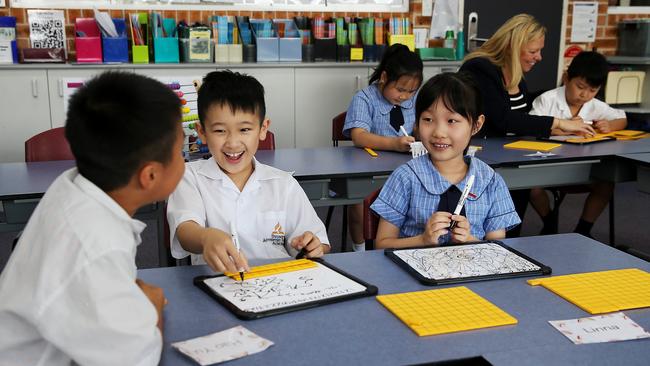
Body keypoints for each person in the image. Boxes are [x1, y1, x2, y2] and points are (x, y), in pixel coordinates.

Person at [0, 71, 185, 365]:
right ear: (150, 175)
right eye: (179, 152)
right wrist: (150, 310)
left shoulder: (73, 184)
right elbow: (138, 359)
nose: (184, 161)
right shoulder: (96, 247)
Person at [167, 70, 330, 273]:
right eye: (219, 131)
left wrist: (312, 245)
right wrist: (205, 237)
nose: (233, 143)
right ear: (202, 132)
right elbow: (185, 230)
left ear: (263, 128)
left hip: (279, 285)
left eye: (244, 130)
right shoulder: (189, 177)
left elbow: (317, 240)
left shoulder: (283, 183)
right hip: (217, 283)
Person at [459, 13, 595, 236]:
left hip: (512, 156)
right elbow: (503, 117)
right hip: (482, 161)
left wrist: (562, 113)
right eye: (533, 51)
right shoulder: (479, 69)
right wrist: (558, 122)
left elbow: (523, 111)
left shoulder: (515, 75)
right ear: (513, 46)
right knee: (494, 226)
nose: (539, 57)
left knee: (514, 217)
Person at [371, 72, 521, 248]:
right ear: (417, 123)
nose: (439, 133)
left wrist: (470, 241)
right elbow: (381, 244)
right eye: (428, 119)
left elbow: (498, 249)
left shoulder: (490, 181)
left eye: (452, 120)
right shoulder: (405, 177)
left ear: (476, 125)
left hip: (471, 273)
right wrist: (422, 240)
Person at [529, 51, 627, 236]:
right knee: (532, 188)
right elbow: (532, 126)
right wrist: (567, 129)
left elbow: (622, 118)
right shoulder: (547, 100)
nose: (584, 95)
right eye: (580, 87)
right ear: (566, 78)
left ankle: (583, 230)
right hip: (546, 164)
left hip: (583, 166)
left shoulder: (595, 105)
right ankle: (549, 220)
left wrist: (610, 125)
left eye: (592, 90)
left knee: (606, 184)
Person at [343, 43, 424, 251]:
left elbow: (424, 126)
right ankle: (359, 251)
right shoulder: (364, 99)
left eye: (411, 91)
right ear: (385, 77)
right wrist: (394, 144)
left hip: (406, 168)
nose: (405, 96)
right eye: (400, 89)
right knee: (358, 202)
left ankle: (409, 245)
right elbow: (358, 136)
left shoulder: (415, 102)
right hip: (368, 169)